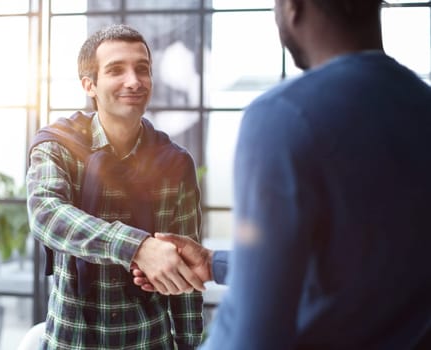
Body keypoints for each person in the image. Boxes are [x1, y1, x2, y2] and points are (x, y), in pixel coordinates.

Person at [133, 0, 431, 349]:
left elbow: (252, 334)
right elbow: (364, 260)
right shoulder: (421, 105)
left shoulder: (284, 115)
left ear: (293, 7)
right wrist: (215, 264)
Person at [26, 24, 204, 350]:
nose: (134, 81)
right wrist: (136, 247)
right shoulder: (57, 146)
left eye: (142, 69)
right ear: (89, 85)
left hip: (150, 341)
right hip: (71, 340)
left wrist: (190, 344)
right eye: (116, 70)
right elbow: (46, 216)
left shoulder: (176, 164)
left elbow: (187, 275)